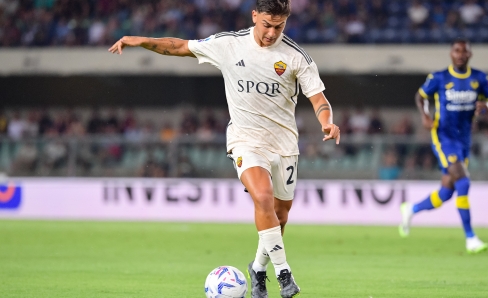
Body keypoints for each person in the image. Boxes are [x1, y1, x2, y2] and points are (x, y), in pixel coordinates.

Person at [108, 1, 340, 297]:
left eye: (278, 27)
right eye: (266, 24)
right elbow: (179, 46)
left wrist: (327, 122)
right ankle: (284, 274)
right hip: (244, 139)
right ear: (254, 16)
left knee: (279, 217)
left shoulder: (295, 57)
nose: (271, 33)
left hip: (284, 145)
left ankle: (257, 268)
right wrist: (140, 40)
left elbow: (319, 100)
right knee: (263, 197)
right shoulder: (229, 45)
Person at [398, 38, 488, 254]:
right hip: (443, 136)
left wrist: (487, 106)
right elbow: (420, 96)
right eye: (457, 50)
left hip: (464, 139)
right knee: (463, 182)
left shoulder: (479, 78)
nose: (461, 54)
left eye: (465, 51)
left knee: (447, 191)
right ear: (451, 54)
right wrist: (425, 115)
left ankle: (411, 209)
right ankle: (470, 238)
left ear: (470, 54)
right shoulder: (439, 77)